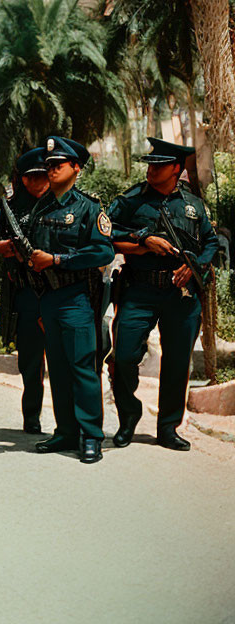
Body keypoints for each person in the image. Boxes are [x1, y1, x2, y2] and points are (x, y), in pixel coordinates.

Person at [107, 138, 219, 451]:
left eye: (158, 166)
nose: (151, 170)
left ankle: (168, 427)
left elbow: (210, 241)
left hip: (181, 294)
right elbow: (106, 231)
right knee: (125, 356)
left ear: (176, 169)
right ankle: (129, 416)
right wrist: (143, 239)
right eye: (150, 164)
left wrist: (194, 263)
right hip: (139, 289)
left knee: (177, 362)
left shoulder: (193, 204)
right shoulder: (130, 201)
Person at [27, 136, 114, 464]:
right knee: (58, 369)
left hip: (78, 296)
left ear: (76, 168)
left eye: (57, 165)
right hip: (49, 297)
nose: (50, 170)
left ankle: (91, 436)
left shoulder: (90, 207)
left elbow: (103, 250)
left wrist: (58, 260)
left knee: (82, 368)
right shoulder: (42, 207)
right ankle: (65, 431)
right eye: (47, 165)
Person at [0, 147, 50, 434]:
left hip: (58, 291)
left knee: (64, 359)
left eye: (43, 175)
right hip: (26, 293)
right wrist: (6, 249)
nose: (39, 182)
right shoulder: (8, 209)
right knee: (31, 361)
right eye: (32, 177)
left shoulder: (59, 203)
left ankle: (71, 424)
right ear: (22, 178)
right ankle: (31, 417)